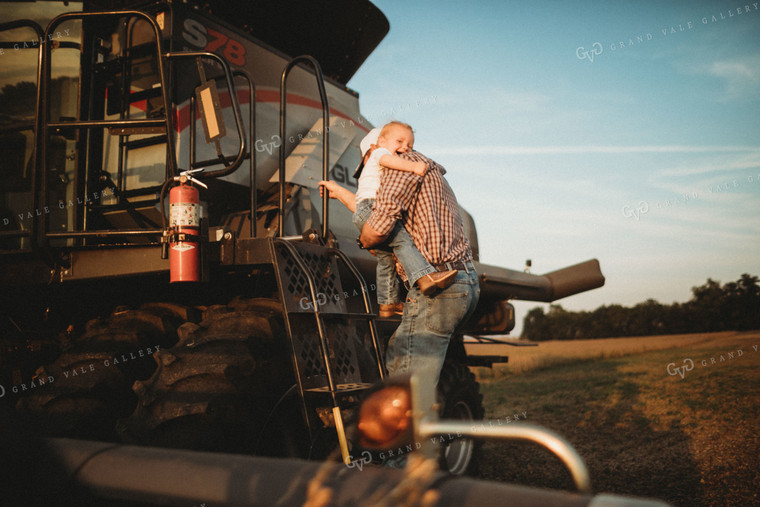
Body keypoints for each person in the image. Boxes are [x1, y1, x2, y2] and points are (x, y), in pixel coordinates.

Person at [359, 147, 480, 384]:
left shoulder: (398, 165)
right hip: (464, 278)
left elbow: (376, 230)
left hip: (440, 285)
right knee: (401, 355)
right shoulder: (432, 171)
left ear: (375, 151)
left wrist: (364, 239)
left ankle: (407, 420)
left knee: (408, 382)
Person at [319, 122, 456, 317]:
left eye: (406, 144)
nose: (367, 165)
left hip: (368, 210)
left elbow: (371, 216)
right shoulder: (385, 159)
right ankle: (424, 277)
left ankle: (388, 304)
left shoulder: (387, 157)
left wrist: (367, 236)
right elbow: (376, 212)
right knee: (401, 242)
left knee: (386, 260)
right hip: (370, 209)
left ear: (374, 147)